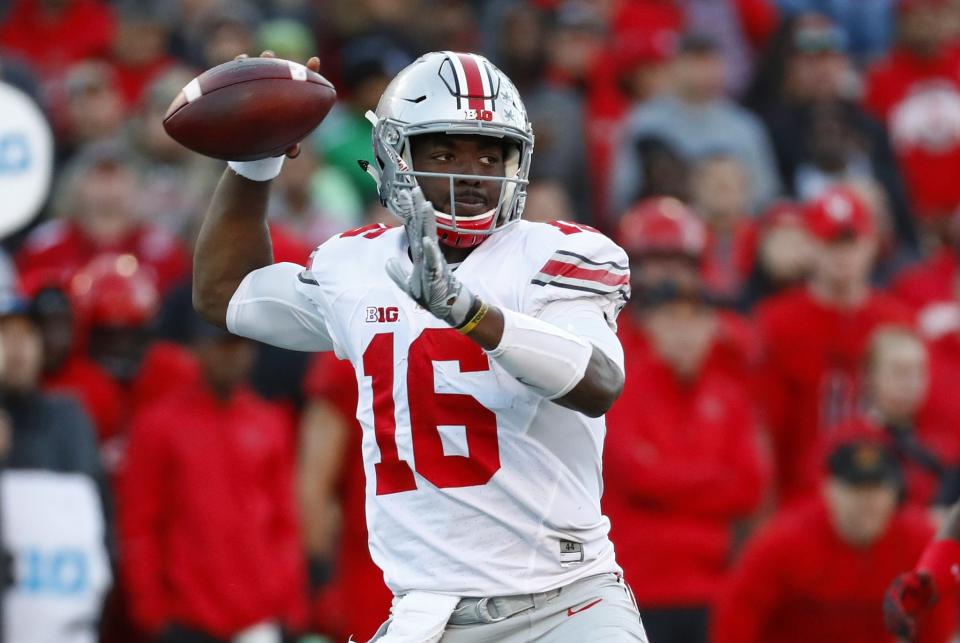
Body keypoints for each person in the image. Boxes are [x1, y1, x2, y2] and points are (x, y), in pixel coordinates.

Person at [193, 51, 647, 641]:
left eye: (491, 153)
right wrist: (256, 160)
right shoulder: (356, 263)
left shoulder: (557, 255)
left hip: (566, 607)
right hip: (427, 614)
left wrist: (466, 312)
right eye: (444, 152)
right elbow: (226, 293)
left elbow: (599, 382)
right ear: (393, 156)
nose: (472, 172)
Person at [119, 311, 305, 643]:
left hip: (258, 620)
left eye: (241, 345)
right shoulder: (158, 425)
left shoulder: (270, 422)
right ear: (198, 349)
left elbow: (284, 523)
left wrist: (290, 608)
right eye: (222, 345)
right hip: (188, 621)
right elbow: (139, 525)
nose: (234, 355)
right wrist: (151, 613)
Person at [604, 280, 768, 643]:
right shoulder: (621, 390)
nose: (685, 333)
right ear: (651, 327)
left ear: (712, 328)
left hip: (713, 588)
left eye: (696, 320)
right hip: (638, 585)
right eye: (672, 320)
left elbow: (750, 487)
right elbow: (635, 475)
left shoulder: (730, 396)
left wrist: (666, 479)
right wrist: (714, 478)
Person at [713, 434, 956, 643]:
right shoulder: (786, 539)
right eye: (856, 491)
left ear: (894, 494)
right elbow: (737, 614)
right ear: (828, 490)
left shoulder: (916, 541)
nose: (868, 502)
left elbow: (938, 625)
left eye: (877, 490)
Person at [756, 186, 912, 505]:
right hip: (799, 496)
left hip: (884, 493)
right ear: (810, 246)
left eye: (851, 243)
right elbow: (765, 428)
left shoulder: (896, 319)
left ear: (871, 245)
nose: (843, 256)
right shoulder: (776, 322)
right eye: (830, 243)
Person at [0, 291, 113, 643]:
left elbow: (99, 519)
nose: (17, 350)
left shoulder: (71, 420)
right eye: (5, 337)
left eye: (27, 336)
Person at [611, 32, 780, 215]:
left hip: (729, 232)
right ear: (674, 66)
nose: (702, 71)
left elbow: (764, 197)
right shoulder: (644, 122)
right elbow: (622, 197)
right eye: (694, 61)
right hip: (663, 233)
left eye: (709, 61)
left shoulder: (743, 126)